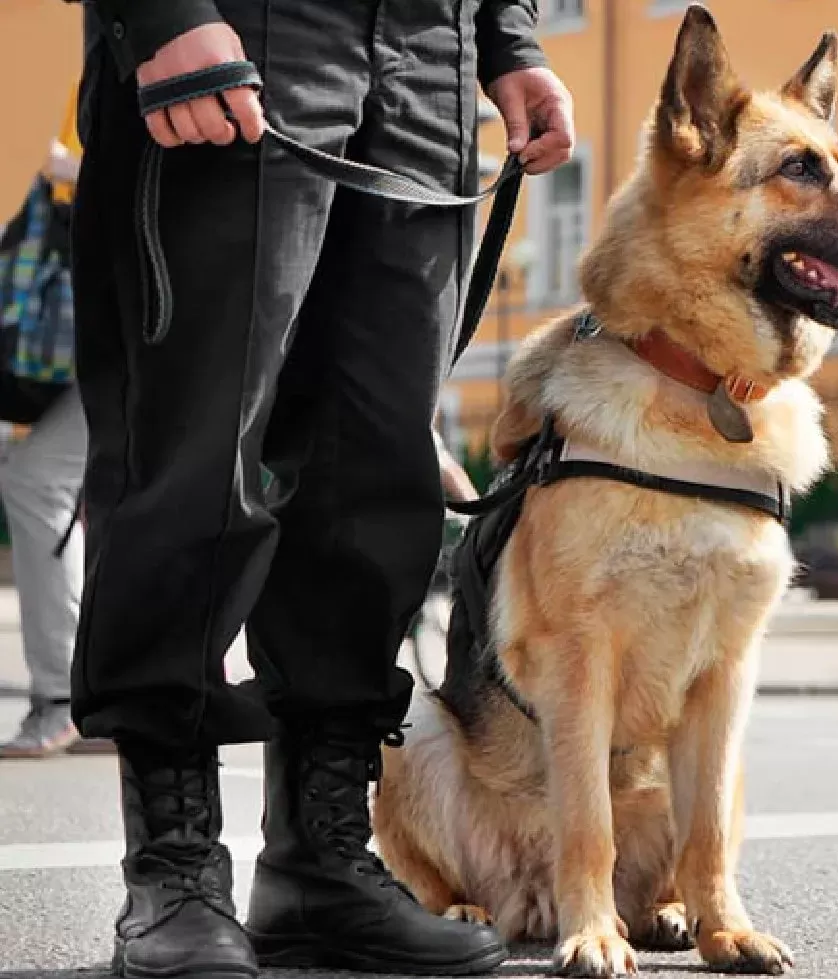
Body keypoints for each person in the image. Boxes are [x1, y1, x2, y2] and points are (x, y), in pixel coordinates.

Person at [68, 1, 573, 977]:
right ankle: (174, 865)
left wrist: (507, 40)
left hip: (431, 54)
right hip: (245, 28)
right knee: (195, 460)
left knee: (376, 475)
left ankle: (318, 857)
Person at [0, 84, 109, 759]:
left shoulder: (160, 45)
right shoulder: (97, 69)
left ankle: (69, 698)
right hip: (115, 330)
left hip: (150, 331)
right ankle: (109, 701)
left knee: (38, 481)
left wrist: (71, 172)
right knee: (120, 499)